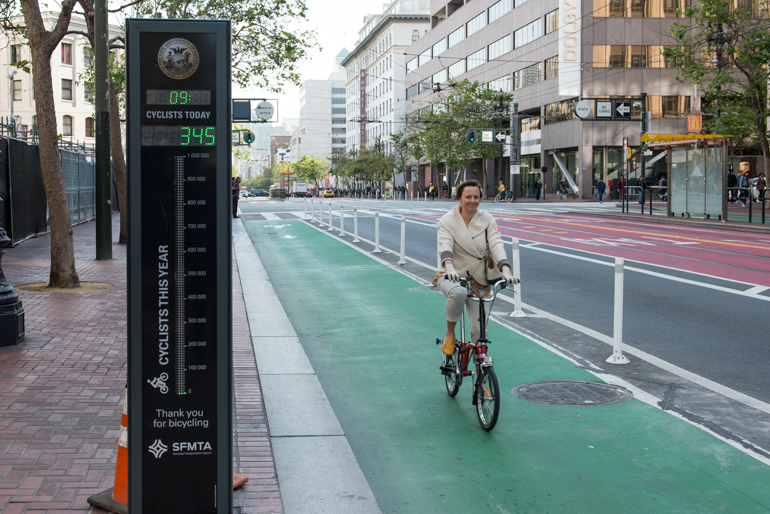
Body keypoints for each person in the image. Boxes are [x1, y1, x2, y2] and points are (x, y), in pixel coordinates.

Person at [435, 180, 520, 355]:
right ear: (459, 198)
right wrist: (449, 268)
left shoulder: (487, 219)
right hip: (452, 275)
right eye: (468, 197)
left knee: (479, 331)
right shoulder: (448, 220)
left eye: (476, 197)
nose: (472, 200)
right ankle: (450, 334)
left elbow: (496, 244)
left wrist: (505, 269)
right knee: (458, 293)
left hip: (479, 280)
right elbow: (445, 245)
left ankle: (481, 376)